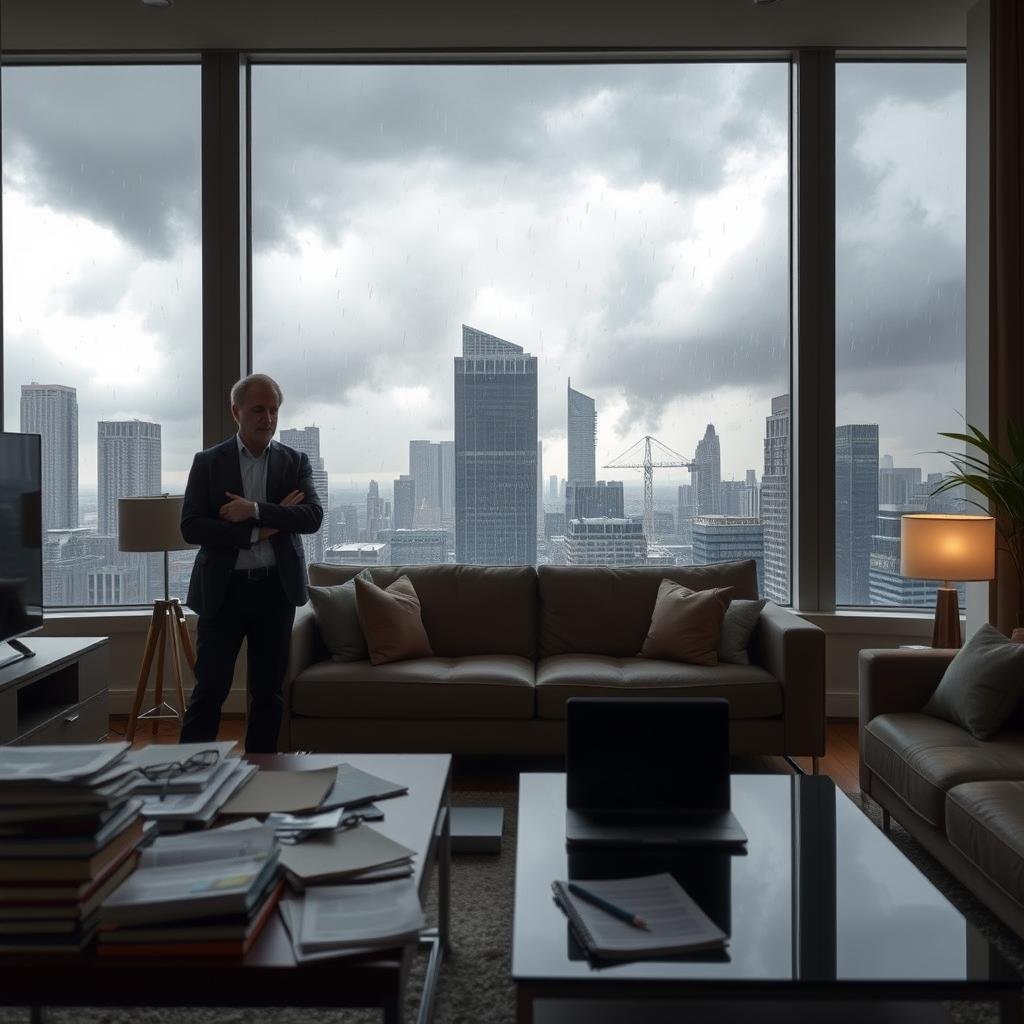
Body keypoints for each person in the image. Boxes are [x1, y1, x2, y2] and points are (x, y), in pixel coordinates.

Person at [179, 373, 323, 752]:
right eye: (259, 410)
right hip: (223, 592)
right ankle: (187, 776)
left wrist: (254, 510)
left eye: (274, 410)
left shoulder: (294, 462)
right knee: (209, 692)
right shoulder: (208, 462)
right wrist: (262, 530)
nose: (268, 419)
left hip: (276, 591)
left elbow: (312, 517)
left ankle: (262, 776)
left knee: (268, 694)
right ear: (236, 411)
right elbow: (191, 527)